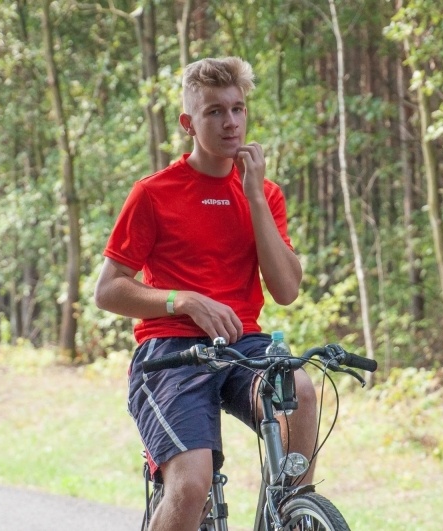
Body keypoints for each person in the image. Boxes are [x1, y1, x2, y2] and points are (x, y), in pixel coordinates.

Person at [94, 57, 317, 531]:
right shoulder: (153, 193)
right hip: (170, 352)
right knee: (192, 486)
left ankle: (290, 514)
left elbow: (286, 290)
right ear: (188, 123)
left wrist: (254, 195)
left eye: (237, 109)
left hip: (243, 343)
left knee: (300, 387)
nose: (230, 122)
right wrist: (184, 300)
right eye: (214, 111)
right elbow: (108, 290)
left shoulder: (266, 194)